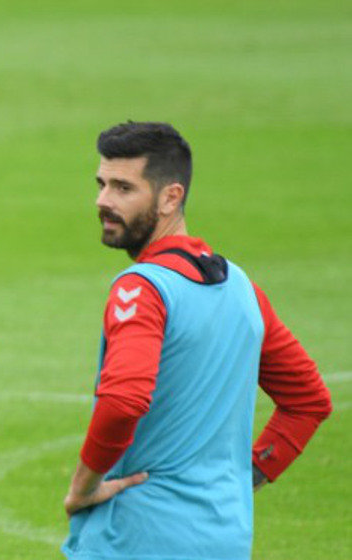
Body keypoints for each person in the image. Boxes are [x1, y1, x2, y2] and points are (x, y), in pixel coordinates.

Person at [62, 122, 333, 559]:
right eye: (102, 184)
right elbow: (308, 400)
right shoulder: (241, 288)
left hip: (137, 537)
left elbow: (124, 400)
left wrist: (82, 488)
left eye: (123, 188)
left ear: (171, 196)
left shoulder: (142, 288)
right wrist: (243, 481)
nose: (103, 201)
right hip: (224, 536)